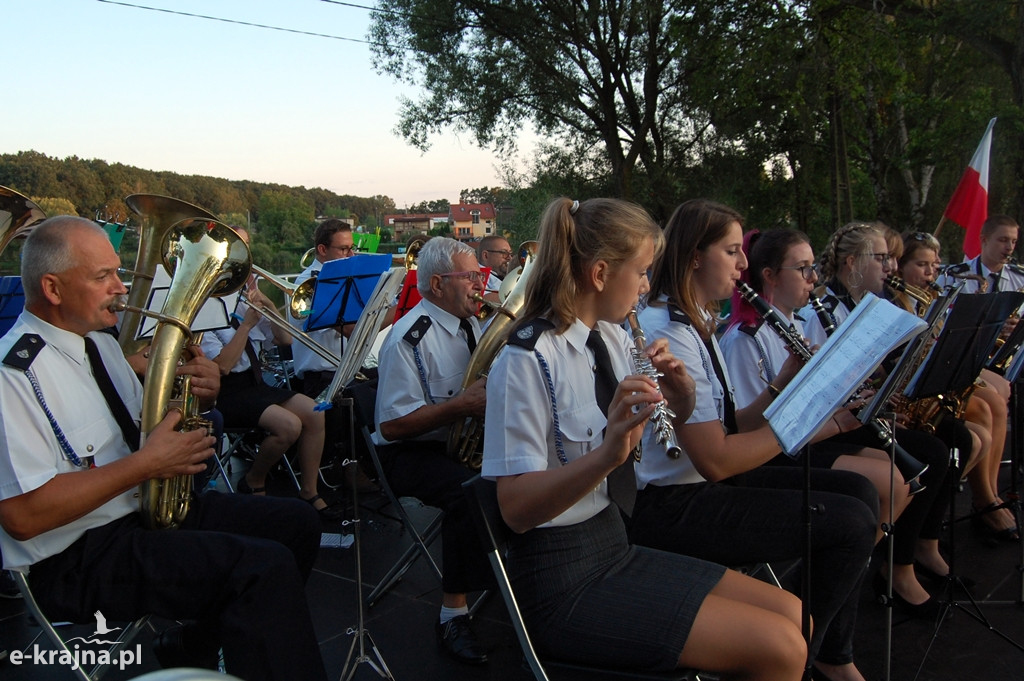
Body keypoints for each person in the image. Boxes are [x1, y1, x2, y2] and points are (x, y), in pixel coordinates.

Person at [483, 196, 807, 681]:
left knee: (795, 615)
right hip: (561, 579)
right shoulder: (526, 361)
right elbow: (514, 508)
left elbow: (664, 424)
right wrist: (608, 455)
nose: (646, 286)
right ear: (599, 275)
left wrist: (681, 395)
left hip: (615, 543)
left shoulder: (613, 338)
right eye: (640, 272)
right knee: (778, 648)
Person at [0, 216, 327, 681]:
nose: (121, 287)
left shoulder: (99, 344)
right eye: (103, 277)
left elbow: (147, 427)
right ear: (52, 288)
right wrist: (145, 464)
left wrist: (202, 391)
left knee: (296, 522)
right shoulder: (14, 376)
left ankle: (197, 642)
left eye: (118, 272)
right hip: (75, 557)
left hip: (140, 515)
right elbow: (22, 516)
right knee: (261, 569)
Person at [627, 200, 877, 681]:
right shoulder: (670, 332)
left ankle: (817, 646)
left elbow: (730, 424)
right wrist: (822, 422)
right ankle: (806, 657)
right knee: (849, 523)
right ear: (695, 257)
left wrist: (783, 383)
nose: (744, 264)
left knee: (860, 494)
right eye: (732, 251)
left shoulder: (695, 320)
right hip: (676, 504)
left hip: (701, 487)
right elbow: (717, 460)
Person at [802, 221, 952, 616]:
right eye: (881, 258)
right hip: (830, 426)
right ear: (852, 262)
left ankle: (902, 557)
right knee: (928, 456)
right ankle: (891, 565)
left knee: (939, 448)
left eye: (890, 258)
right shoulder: (824, 311)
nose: (889, 267)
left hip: (855, 414)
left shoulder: (865, 305)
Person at [719, 228, 909, 541]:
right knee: (884, 483)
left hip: (801, 441)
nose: (813, 277)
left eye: (813, 267)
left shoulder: (796, 323)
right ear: (771, 276)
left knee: (894, 469)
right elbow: (748, 428)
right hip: (774, 455)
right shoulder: (745, 340)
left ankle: (862, 560)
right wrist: (833, 418)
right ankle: (853, 561)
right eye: (803, 268)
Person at [373, 236, 495, 665]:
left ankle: (506, 575)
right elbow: (391, 425)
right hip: (408, 453)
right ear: (440, 284)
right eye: (472, 277)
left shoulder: (473, 323)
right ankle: (453, 611)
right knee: (470, 490)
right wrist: (461, 405)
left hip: (450, 442)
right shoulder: (408, 338)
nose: (481, 285)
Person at [201, 227, 342, 521]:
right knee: (289, 426)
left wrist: (270, 309)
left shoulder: (243, 300)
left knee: (315, 411)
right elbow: (222, 366)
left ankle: (309, 489)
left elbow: (285, 340)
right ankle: (254, 479)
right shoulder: (204, 309)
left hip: (255, 384)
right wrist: (246, 326)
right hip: (226, 391)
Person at [897, 231, 1018, 542]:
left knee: (995, 400)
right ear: (901, 266)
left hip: (934, 378)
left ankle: (988, 494)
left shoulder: (927, 298)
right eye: (921, 265)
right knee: (982, 410)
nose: (930, 272)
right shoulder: (899, 302)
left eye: (935, 265)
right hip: (914, 391)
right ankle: (982, 500)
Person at [289, 218, 355, 398]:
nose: (351, 255)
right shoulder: (307, 284)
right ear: (323, 250)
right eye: (344, 249)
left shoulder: (346, 280)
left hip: (345, 371)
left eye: (352, 247)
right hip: (321, 378)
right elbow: (351, 329)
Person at [476, 235, 513, 304]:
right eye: (504, 253)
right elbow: (481, 302)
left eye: (510, 253)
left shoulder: (497, 274)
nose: (509, 258)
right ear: (485, 255)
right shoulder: (477, 276)